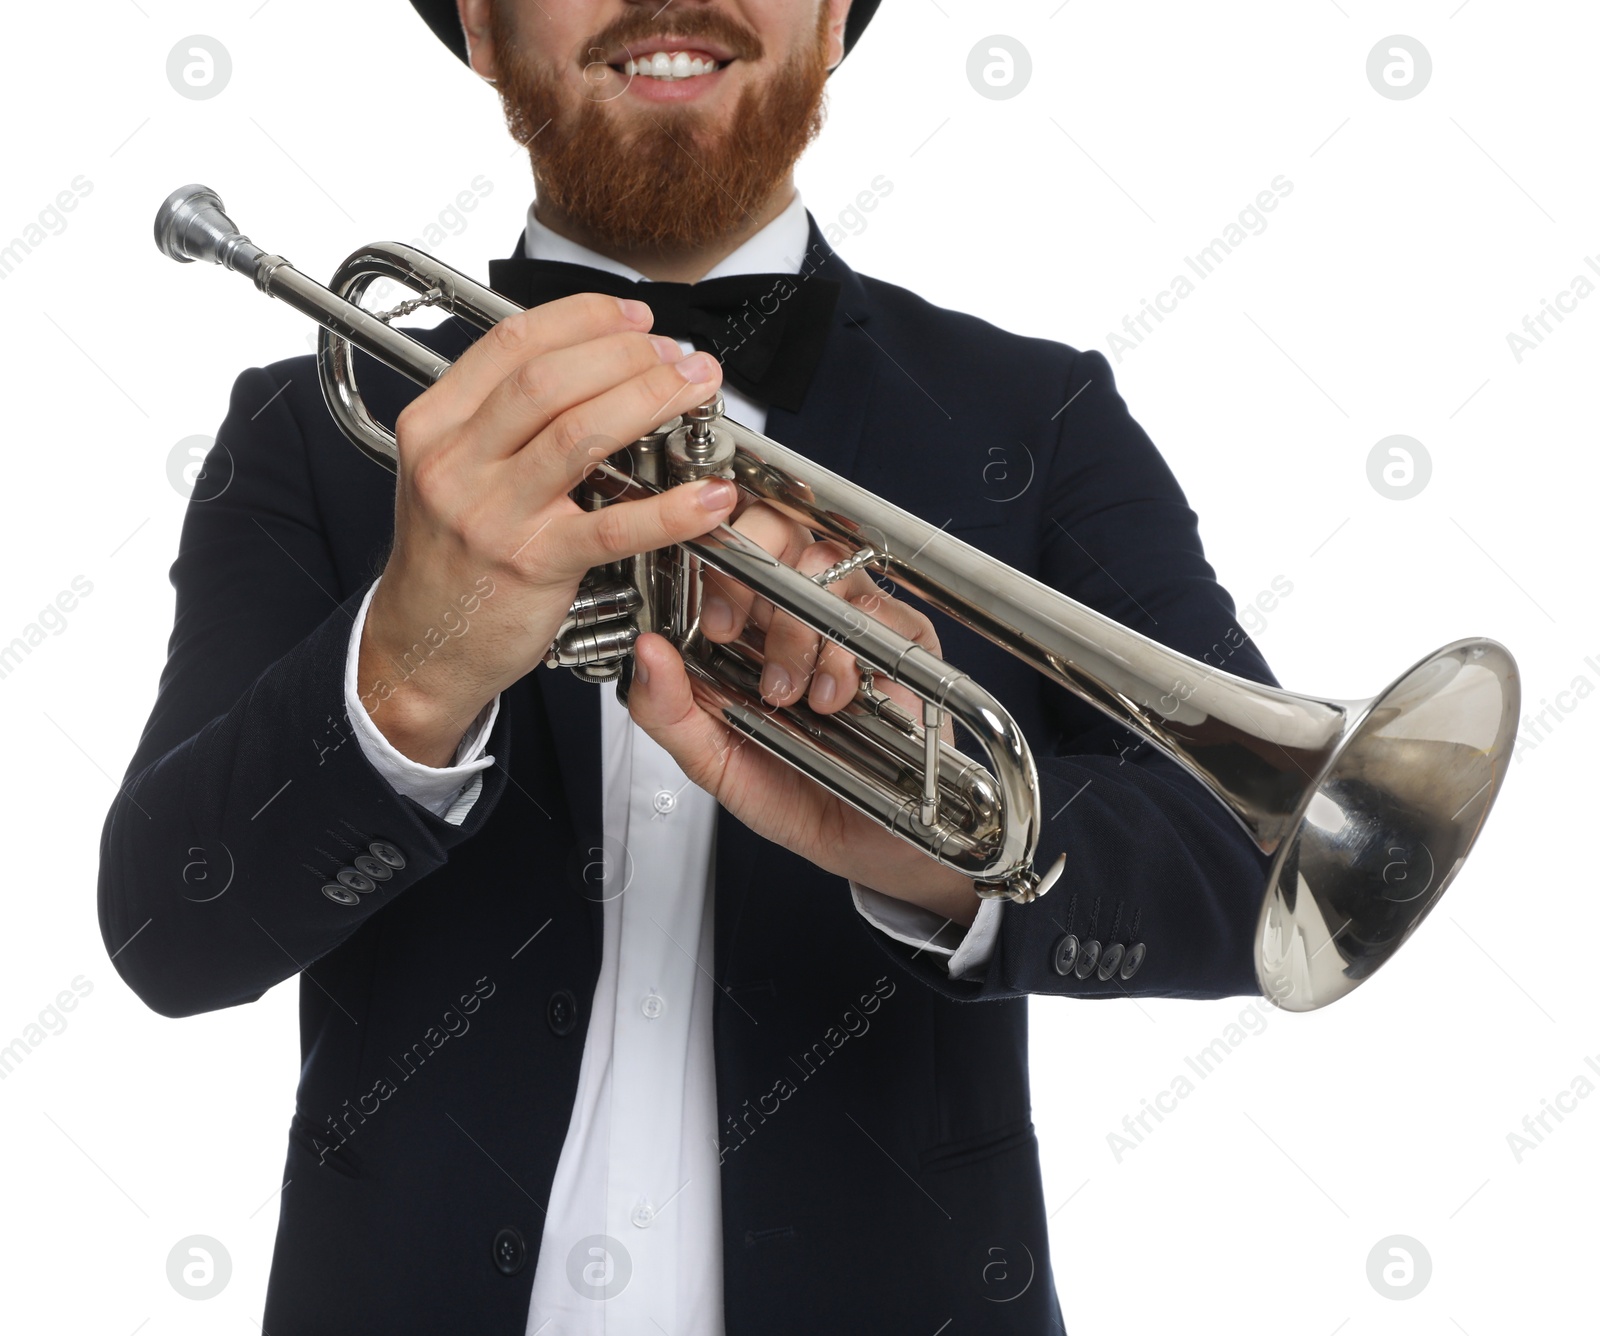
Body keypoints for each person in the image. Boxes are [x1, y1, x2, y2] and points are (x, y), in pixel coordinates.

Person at [100, 2, 1280, 1331]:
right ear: (481, 30)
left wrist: (934, 834)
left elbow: (1255, 865)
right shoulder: (309, 427)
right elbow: (168, 934)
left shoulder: (1039, 416)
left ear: (833, 20)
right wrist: (407, 673)